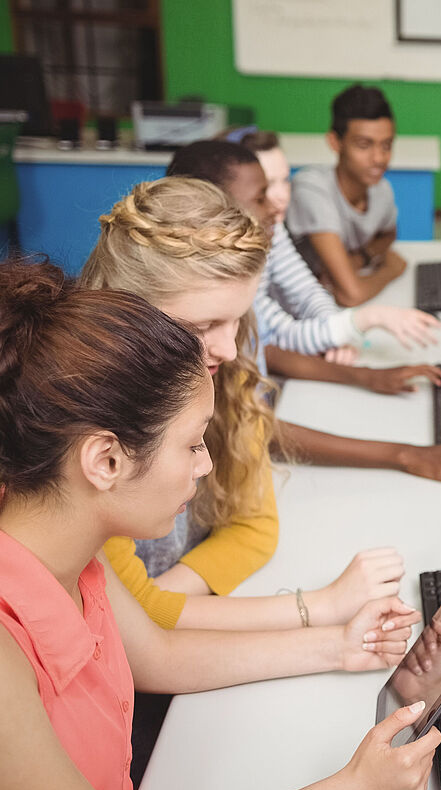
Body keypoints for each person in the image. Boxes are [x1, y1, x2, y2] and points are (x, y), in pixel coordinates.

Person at [0, 260, 436, 790]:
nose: (206, 465)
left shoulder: (65, 543)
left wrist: (340, 645)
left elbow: (156, 656)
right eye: (193, 444)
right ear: (106, 460)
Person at [79, 178, 410, 629]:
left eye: (236, 320)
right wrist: (321, 608)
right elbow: (132, 623)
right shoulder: (76, 423)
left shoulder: (222, 374)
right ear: (126, 312)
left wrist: (159, 601)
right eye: (203, 327)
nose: (230, 349)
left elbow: (254, 530)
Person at [161, 149, 441, 487]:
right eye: (262, 196)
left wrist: (364, 376)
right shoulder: (191, 310)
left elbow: (262, 347)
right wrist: (405, 455)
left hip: (265, 417)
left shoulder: (238, 281)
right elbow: (251, 429)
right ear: (211, 208)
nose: (278, 205)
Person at [170, 138, 441, 382]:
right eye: (263, 194)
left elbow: (305, 291)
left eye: (284, 180)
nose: (278, 201)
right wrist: (362, 322)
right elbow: (278, 334)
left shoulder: (268, 227)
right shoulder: (215, 278)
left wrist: (337, 333)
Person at [287, 84, 405, 307]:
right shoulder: (312, 188)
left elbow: (389, 233)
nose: (379, 158)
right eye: (364, 145)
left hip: (328, 304)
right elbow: (350, 295)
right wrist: (391, 269)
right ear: (335, 142)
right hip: (291, 314)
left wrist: (362, 258)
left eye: (386, 145)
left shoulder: (382, 189)